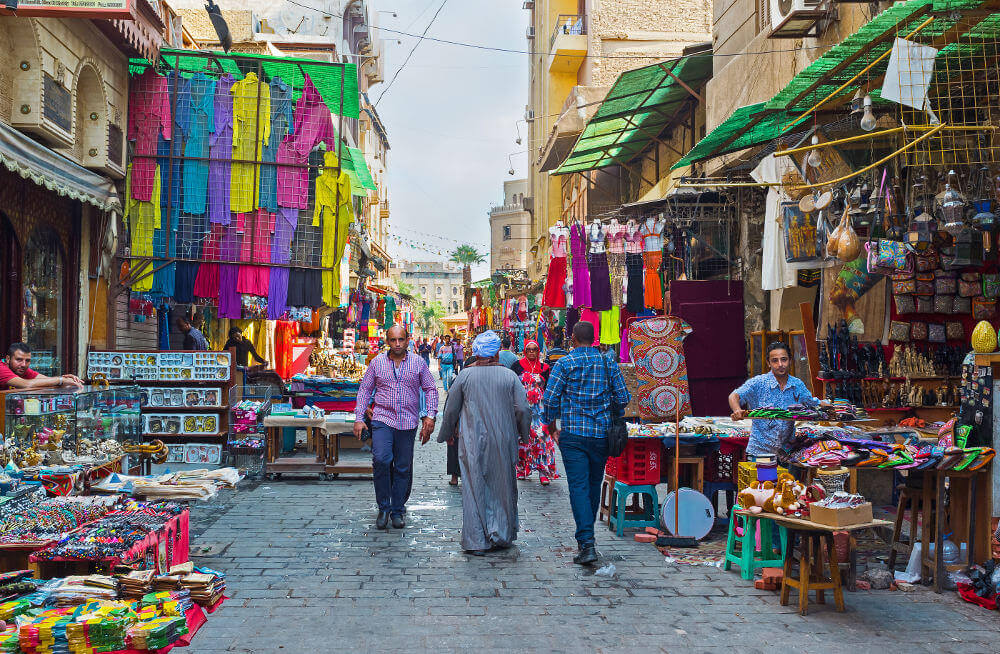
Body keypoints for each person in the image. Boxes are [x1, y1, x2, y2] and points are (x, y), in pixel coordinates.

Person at [543, 321, 630, 566]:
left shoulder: (564, 363)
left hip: (574, 435)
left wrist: (550, 425)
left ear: (572, 338)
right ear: (594, 339)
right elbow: (623, 397)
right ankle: (587, 539)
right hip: (601, 434)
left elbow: (550, 399)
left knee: (579, 487)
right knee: (592, 485)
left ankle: (587, 542)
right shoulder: (607, 362)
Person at [438, 330, 531, 555]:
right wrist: (523, 434)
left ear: (476, 353)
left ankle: (476, 540)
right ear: (497, 352)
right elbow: (523, 410)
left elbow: (451, 409)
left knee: (473, 486)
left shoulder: (465, 377)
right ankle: (501, 534)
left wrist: (447, 433)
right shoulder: (509, 377)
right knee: (503, 486)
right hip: (504, 439)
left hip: (472, 440)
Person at [354, 325, 439, 530]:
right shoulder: (377, 363)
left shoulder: (418, 363)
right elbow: (365, 390)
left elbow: (430, 389)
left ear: (408, 340)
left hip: (408, 422)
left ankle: (397, 509)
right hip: (382, 419)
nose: (397, 344)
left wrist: (430, 415)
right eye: (393, 340)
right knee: (381, 459)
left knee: (403, 467)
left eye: (401, 339)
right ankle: (383, 507)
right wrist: (359, 417)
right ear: (387, 341)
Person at [729, 341, 824, 457]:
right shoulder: (758, 383)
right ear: (768, 363)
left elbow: (813, 403)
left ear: (790, 360)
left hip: (787, 452)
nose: (780, 364)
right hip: (760, 451)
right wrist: (737, 410)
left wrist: (831, 406)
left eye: (784, 359)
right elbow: (734, 395)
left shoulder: (797, 385)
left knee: (786, 476)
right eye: (775, 360)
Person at [511, 340, 557, 485]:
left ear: (538, 351)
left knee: (542, 440)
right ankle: (522, 469)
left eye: (534, 349)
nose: (532, 352)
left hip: (540, 411)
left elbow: (550, 388)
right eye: (529, 349)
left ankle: (543, 472)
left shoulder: (545, 367)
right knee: (523, 439)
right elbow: (511, 386)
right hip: (522, 409)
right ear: (525, 351)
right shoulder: (517, 366)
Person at [0, 343, 84, 390]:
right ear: (8, 359)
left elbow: (46, 380)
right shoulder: (1, 368)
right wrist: (61, 380)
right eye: (19, 359)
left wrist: (68, 381)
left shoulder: (20, 369)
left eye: (27, 360)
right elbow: (26, 384)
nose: (23, 364)